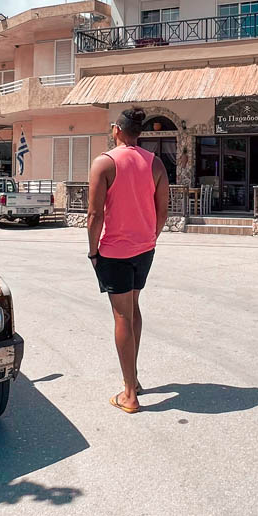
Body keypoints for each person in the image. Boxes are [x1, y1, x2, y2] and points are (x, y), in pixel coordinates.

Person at [87, 107, 170, 414]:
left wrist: (92, 250)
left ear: (117, 130)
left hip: (115, 251)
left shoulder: (104, 163)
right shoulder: (155, 163)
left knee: (122, 316)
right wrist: (151, 237)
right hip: (144, 249)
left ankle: (129, 394)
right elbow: (163, 211)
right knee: (133, 308)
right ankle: (133, 379)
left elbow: (94, 215)